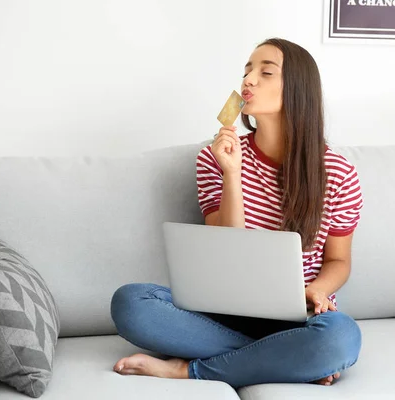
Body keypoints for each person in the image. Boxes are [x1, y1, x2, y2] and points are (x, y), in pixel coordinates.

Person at [110, 38, 364, 388]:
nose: (248, 80)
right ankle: (289, 359)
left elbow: (339, 262)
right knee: (130, 303)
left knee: (340, 338)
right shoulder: (214, 158)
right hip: (222, 314)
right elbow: (226, 247)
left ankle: (190, 370)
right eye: (247, 70)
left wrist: (318, 290)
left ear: (297, 89)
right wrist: (232, 172)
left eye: (265, 72)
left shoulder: (337, 172)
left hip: (299, 320)